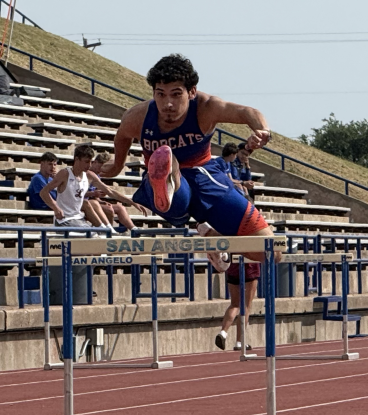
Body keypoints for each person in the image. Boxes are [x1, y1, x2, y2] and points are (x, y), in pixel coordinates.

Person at [100, 54, 277, 263]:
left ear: (191, 92)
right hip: (168, 188)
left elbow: (248, 111)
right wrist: (117, 164)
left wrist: (262, 131)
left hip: (205, 177)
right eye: (160, 94)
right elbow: (122, 135)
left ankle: (212, 235)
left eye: (176, 95)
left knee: (271, 252)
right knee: (167, 159)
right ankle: (167, 174)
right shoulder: (137, 117)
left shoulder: (206, 107)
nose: (167, 104)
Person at [40, 144, 134, 229]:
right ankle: (106, 229)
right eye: (86, 162)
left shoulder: (89, 175)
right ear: (76, 159)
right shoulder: (65, 174)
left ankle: (107, 229)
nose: (89, 165)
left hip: (79, 218)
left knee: (98, 236)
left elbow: (110, 191)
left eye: (90, 162)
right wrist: (56, 208)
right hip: (64, 220)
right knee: (93, 238)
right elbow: (44, 192)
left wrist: (132, 202)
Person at [214, 258, 261, 351]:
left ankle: (223, 332)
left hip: (233, 267)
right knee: (246, 305)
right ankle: (239, 341)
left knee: (235, 304)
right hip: (250, 266)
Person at [88, 152, 142, 231]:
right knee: (109, 209)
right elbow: (75, 193)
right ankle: (107, 231)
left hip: (92, 202)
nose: (101, 171)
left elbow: (97, 196)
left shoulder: (97, 175)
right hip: (83, 203)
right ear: (95, 162)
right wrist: (93, 193)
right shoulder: (86, 173)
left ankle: (133, 229)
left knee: (120, 208)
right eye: (100, 167)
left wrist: (100, 201)